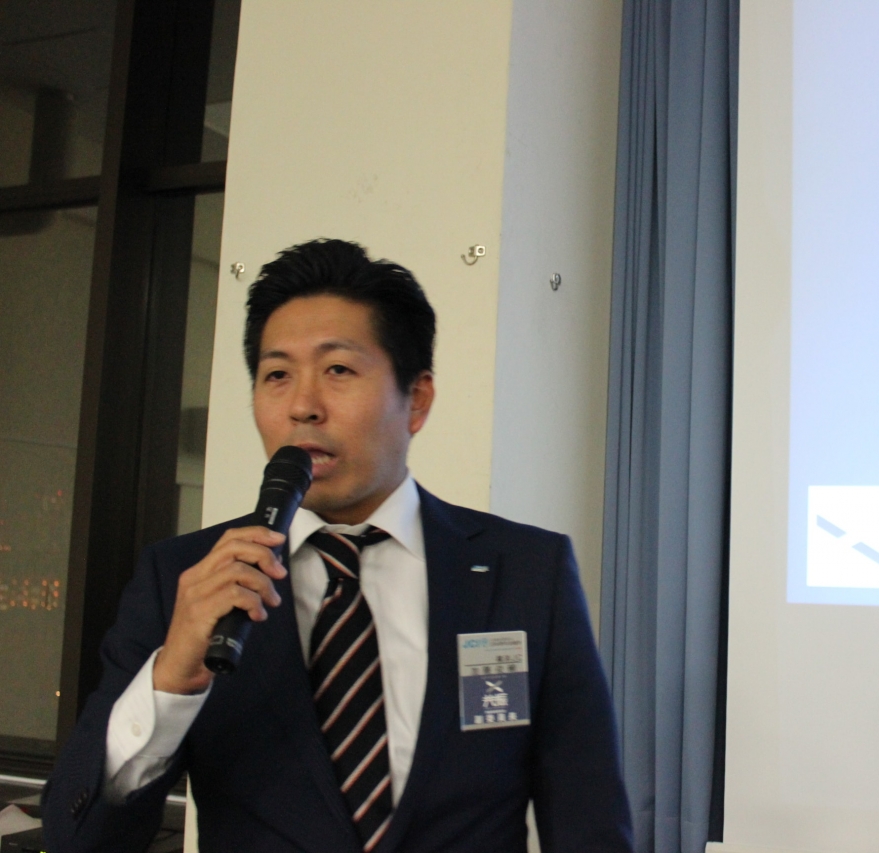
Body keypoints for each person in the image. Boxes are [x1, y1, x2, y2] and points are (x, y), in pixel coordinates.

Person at [43, 239, 633, 853]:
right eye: (277, 375)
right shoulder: (184, 580)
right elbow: (76, 839)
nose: (303, 406)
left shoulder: (526, 571)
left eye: (339, 371)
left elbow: (590, 823)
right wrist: (170, 680)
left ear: (417, 400)